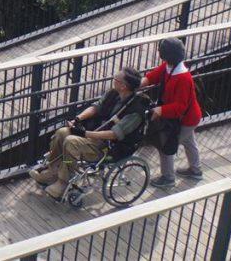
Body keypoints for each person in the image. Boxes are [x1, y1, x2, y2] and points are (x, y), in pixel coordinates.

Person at [29, 66, 146, 200]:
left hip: (109, 147)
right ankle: (53, 170)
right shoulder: (114, 94)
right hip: (95, 133)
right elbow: (96, 107)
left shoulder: (135, 111)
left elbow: (114, 134)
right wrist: (78, 119)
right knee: (62, 133)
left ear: (123, 86)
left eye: (115, 79)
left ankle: (63, 181)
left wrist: (86, 134)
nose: (113, 80)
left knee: (70, 142)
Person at [141, 36, 203, 188]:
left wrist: (160, 110)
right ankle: (196, 170)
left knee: (166, 145)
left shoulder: (183, 78)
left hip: (186, 119)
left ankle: (168, 178)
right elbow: (154, 76)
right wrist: (139, 83)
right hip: (188, 116)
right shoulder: (170, 67)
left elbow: (180, 107)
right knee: (189, 141)